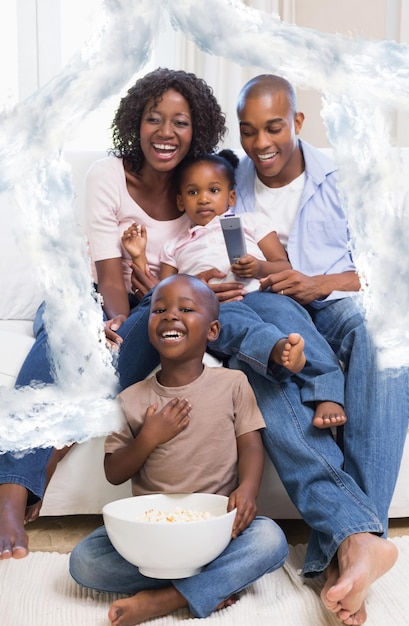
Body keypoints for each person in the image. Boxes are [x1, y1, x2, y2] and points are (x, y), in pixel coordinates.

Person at [0, 68, 230, 559]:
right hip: (87, 295)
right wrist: (113, 325)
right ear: (135, 122)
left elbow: (198, 273)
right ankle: (12, 493)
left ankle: (44, 459)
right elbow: (108, 275)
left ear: (198, 130)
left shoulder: (201, 188)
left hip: (152, 306)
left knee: (160, 314)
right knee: (67, 330)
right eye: (154, 119)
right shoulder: (108, 175)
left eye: (180, 122)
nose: (166, 133)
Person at [230, 73, 407, 625]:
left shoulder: (345, 175)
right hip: (270, 314)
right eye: (249, 132)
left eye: (275, 128)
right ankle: (358, 546)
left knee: (386, 336)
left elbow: (389, 274)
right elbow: (218, 252)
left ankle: (347, 546)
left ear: (298, 123)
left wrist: (319, 283)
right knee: (262, 368)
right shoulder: (225, 181)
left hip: (333, 302)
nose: (262, 144)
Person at [69, 274, 289, 625]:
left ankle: (169, 598)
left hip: (218, 530)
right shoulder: (132, 398)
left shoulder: (233, 383)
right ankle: (210, 583)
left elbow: (250, 444)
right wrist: (149, 438)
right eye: (159, 309)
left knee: (270, 541)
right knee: (84, 561)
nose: (171, 315)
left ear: (212, 331)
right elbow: (114, 472)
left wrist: (247, 491)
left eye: (186, 309)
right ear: (150, 326)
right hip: (153, 534)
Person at [122, 149, 347, 429]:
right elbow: (161, 293)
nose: (203, 198)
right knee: (228, 324)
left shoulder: (251, 222)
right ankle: (274, 349)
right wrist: (139, 257)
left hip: (263, 292)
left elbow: (283, 265)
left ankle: (327, 391)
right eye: (193, 193)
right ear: (180, 201)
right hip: (220, 308)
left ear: (230, 197)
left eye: (213, 190)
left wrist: (258, 268)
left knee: (293, 321)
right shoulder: (175, 245)